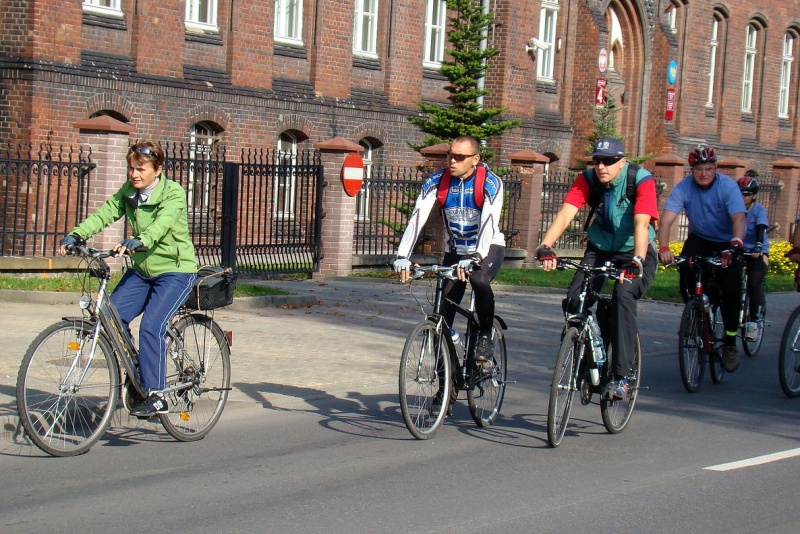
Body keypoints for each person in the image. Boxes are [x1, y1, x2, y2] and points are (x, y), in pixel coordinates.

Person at [58, 140, 198, 417]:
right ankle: (138, 375)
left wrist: (140, 240)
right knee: (111, 318)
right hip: (143, 271)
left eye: (140, 169)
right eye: (131, 169)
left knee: (151, 326)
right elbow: (104, 213)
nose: (134, 174)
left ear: (158, 169)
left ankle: (157, 395)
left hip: (175, 271)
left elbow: (164, 223)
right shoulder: (129, 192)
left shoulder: (173, 193)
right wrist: (77, 234)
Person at [536, 137, 659, 400]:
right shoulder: (589, 179)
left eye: (609, 161)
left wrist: (636, 260)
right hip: (601, 249)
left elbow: (641, 223)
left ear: (622, 161)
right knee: (574, 299)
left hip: (635, 252)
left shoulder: (640, 179)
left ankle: (621, 376)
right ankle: (584, 352)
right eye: (597, 160)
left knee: (623, 297)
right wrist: (546, 245)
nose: (602, 166)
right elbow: (566, 213)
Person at [393, 135, 505, 362]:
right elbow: (417, 217)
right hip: (455, 251)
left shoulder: (490, 183)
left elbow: (489, 221)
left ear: (475, 159)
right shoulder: (436, 182)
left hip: (488, 247)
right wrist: (403, 255)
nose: (452, 160)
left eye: (459, 157)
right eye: (450, 155)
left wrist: (475, 256)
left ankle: (484, 335)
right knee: (442, 314)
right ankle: (447, 384)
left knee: (479, 280)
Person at [658, 145, 746, 372]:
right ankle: (695, 313)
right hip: (700, 238)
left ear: (715, 168)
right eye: (699, 169)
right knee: (686, 273)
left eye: (709, 168)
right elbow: (666, 220)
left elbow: (738, 218)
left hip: (727, 241)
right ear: (692, 170)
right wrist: (664, 247)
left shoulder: (727, 186)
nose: (704, 173)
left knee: (732, 290)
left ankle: (729, 343)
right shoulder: (684, 188)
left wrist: (735, 243)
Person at [738, 172, 769, 341]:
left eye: (747, 194)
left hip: (757, 250)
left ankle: (754, 322)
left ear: (754, 195)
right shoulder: (735, 208)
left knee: (754, 283)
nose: (743, 197)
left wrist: (758, 245)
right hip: (740, 250)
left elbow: (761, 228)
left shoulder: (759, 210)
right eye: (740, 193)